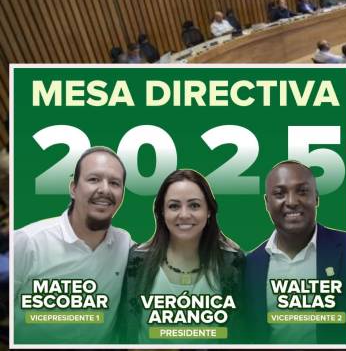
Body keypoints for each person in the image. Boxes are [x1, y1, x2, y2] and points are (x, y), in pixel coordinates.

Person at [14, 147, 133, 344]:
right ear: (74, 188)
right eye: (94, 179)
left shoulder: (125, 244)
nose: (105, 189)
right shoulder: (29, 241)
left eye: (114, 183)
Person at [122, 170, 244, 343]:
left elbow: (239, 334)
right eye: (174, 206)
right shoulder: (136, 261)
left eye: (194, 205)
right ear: (162, 212)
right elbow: (126, 331)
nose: (184, 214)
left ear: (209, 211)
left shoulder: (233, 262)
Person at [244, 161, 346, 344]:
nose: (292, 202)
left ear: (316, 198)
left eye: (302, 192)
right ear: (267, 203)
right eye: (279, 194)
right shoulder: (249, 265)